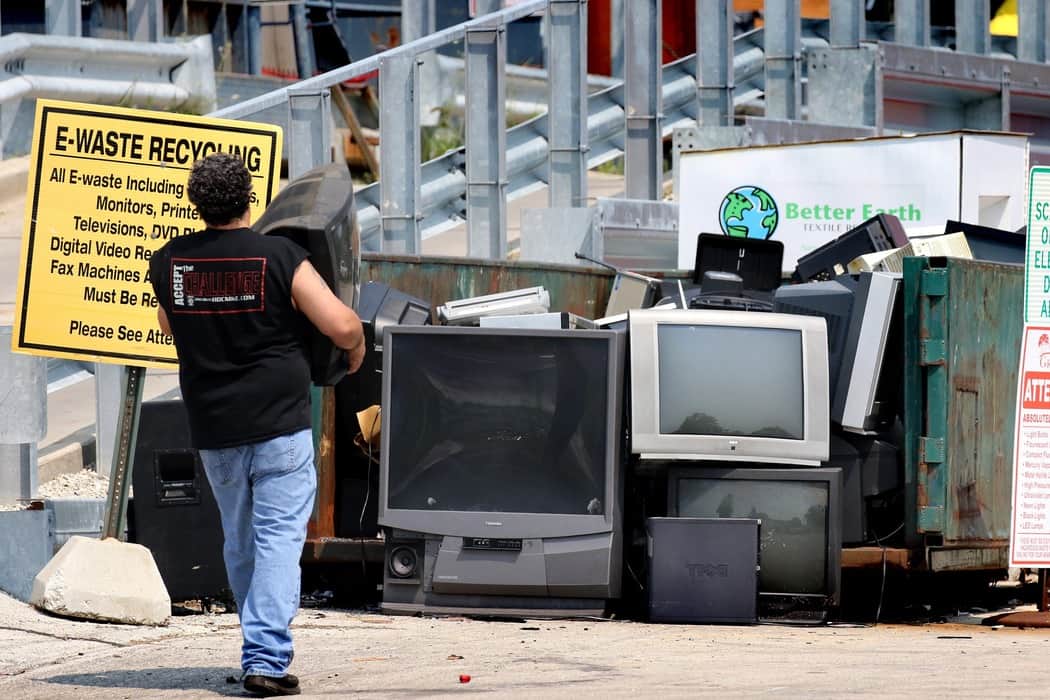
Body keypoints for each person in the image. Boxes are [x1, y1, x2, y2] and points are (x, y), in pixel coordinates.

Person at [149, 152, 365, 698]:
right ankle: (265, 659)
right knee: (277, 539)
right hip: (279, 425)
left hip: (215, 427)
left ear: (197, 204)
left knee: (242, 541)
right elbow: (340, 323)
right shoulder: (279, 256)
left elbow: (170, 326)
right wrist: (357, 346)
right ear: (250, 199)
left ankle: (257, 648)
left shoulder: (170, 262)